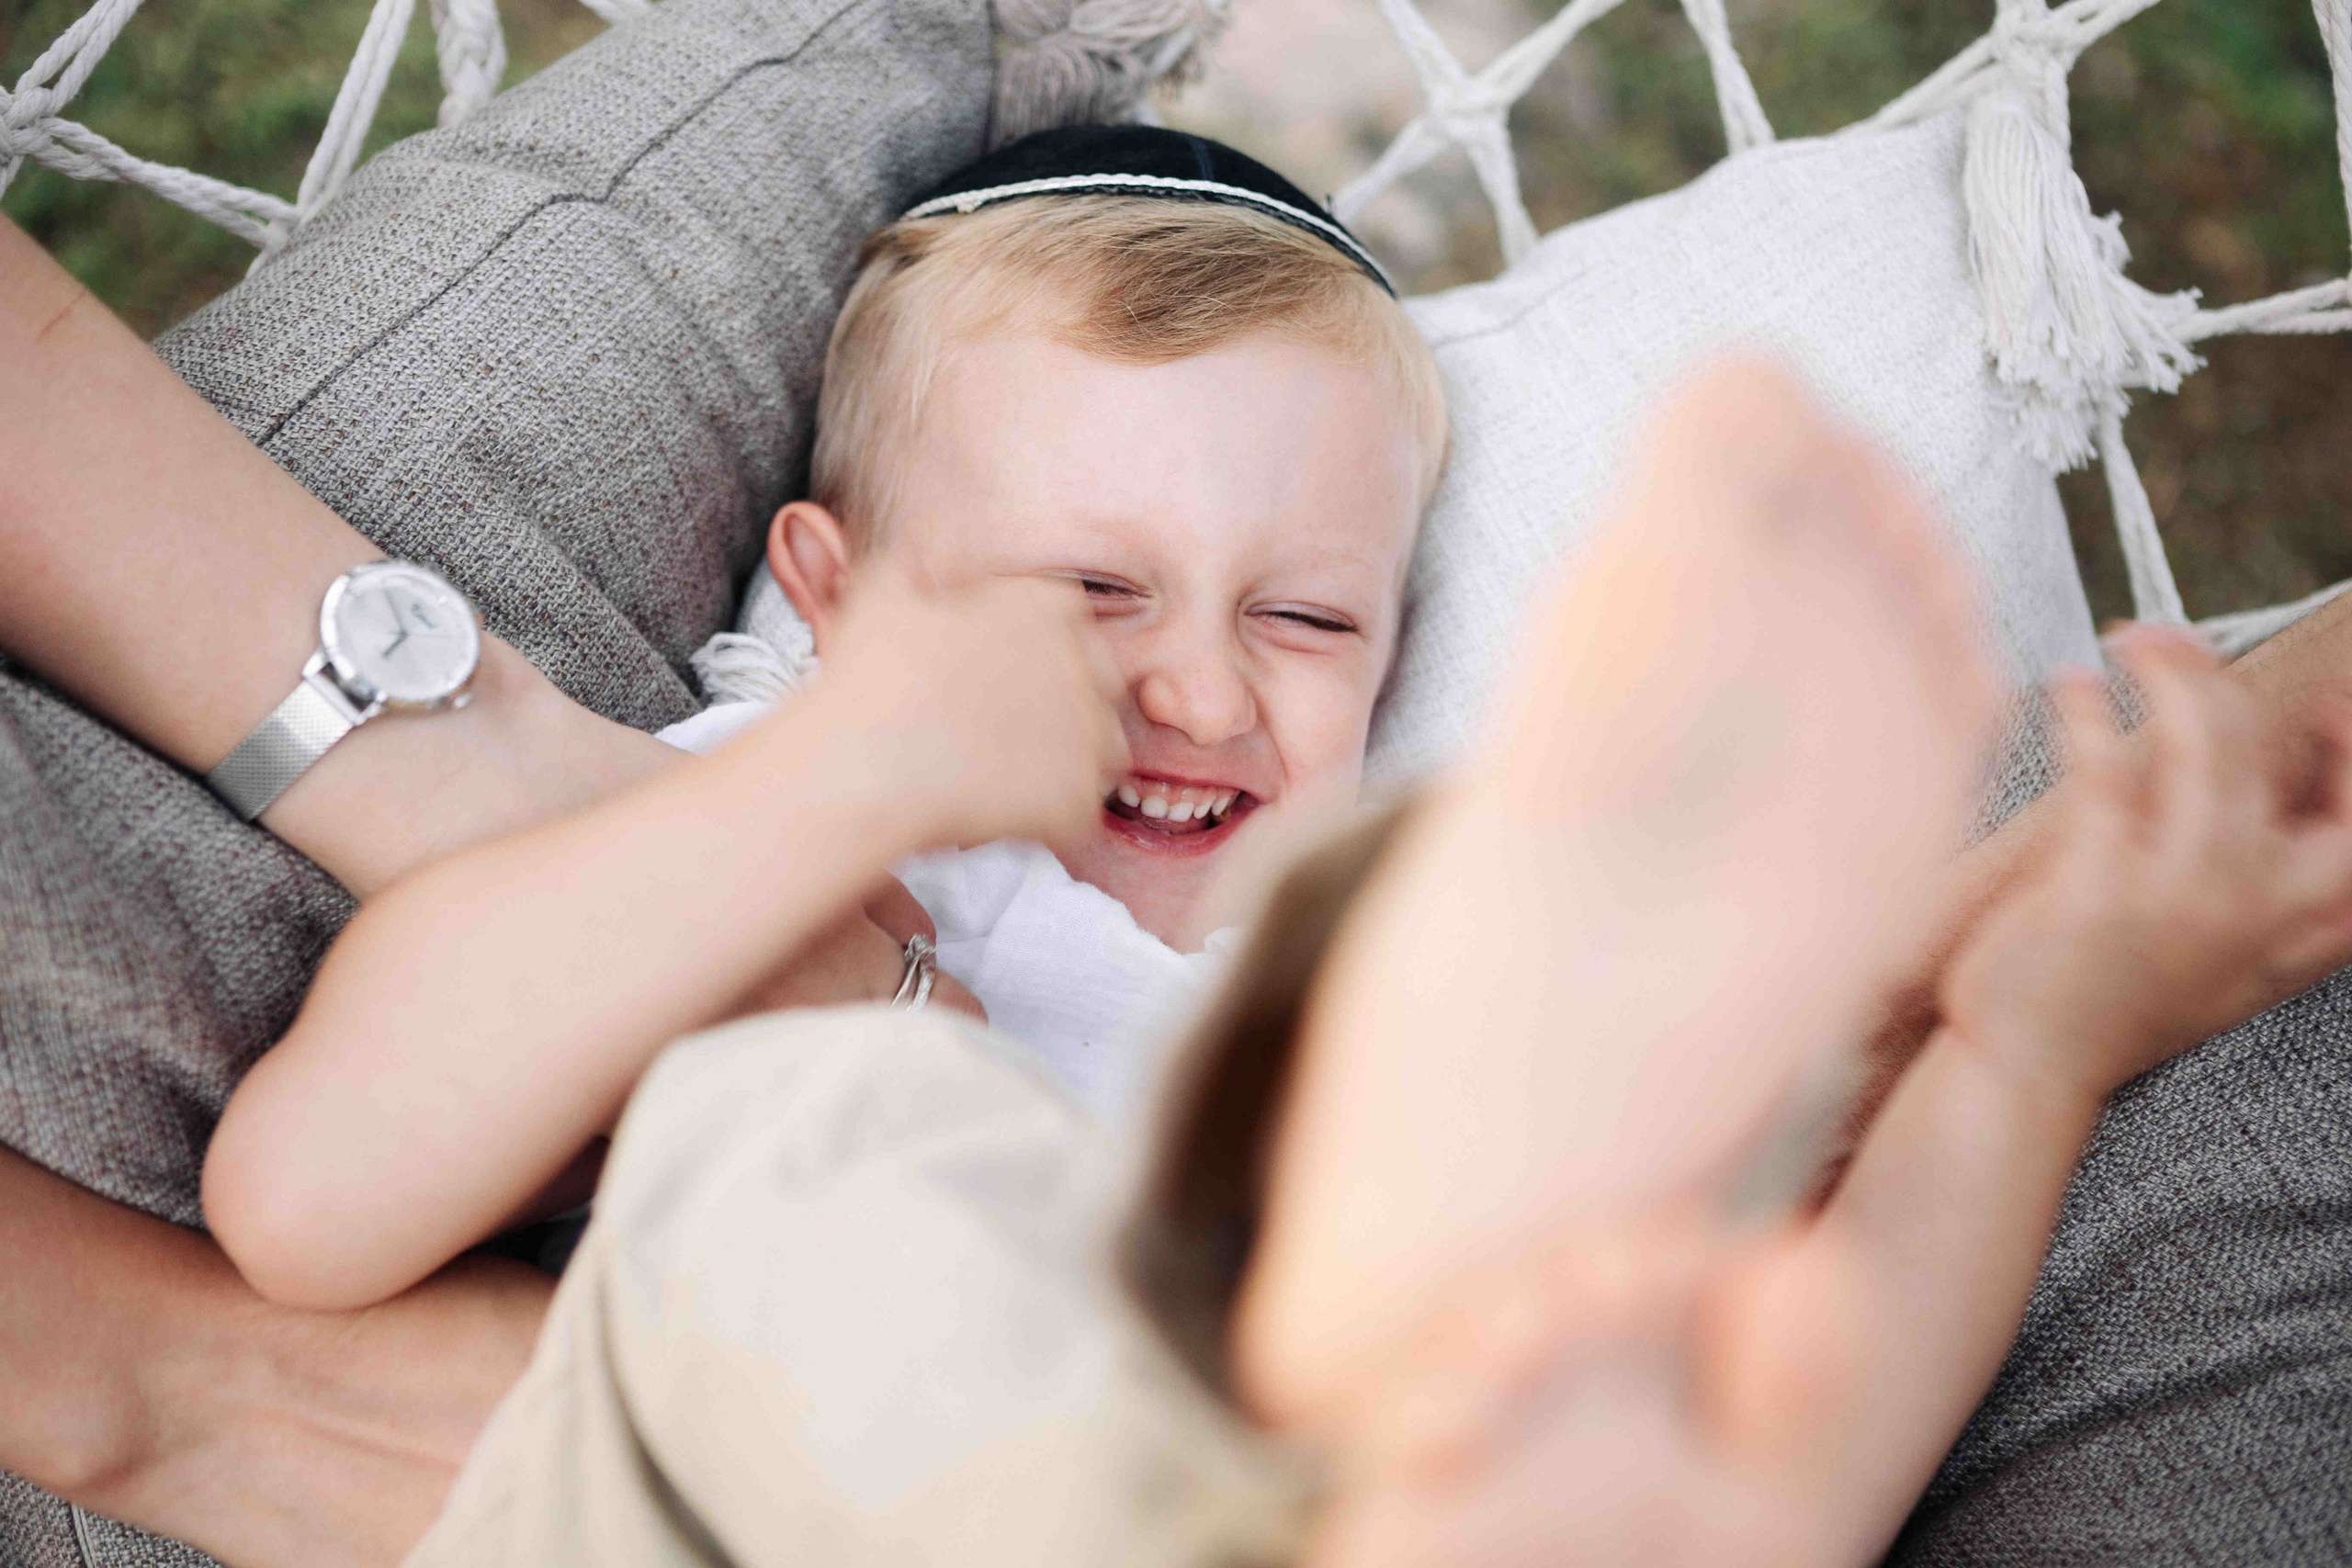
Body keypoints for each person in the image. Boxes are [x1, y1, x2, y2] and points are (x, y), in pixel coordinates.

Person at [6, 196, 2352, 1567]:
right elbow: (313, 1201)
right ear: (831, 593)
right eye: (1088, 592)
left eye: (1307, 619)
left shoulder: (1387, 987)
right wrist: (834, 785)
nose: (1197, 692)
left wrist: (2001, 1015)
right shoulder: (756, 829)